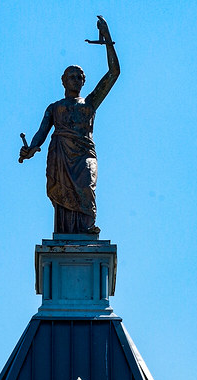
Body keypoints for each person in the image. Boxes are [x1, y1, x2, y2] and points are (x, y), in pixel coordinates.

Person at [19, 16, 119, 235]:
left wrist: (108, 39)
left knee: (87, 185)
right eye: (71, 76)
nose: (75, 79)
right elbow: (41, 133)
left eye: (79, 76)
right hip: (61, 155)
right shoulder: (54, 107)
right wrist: (31, 149)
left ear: (83, 81)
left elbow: (113, 74)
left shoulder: (91, 103)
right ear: (63, 81)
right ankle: (69, 233)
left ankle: (88, 227)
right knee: (63, 196)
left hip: (84, 154)